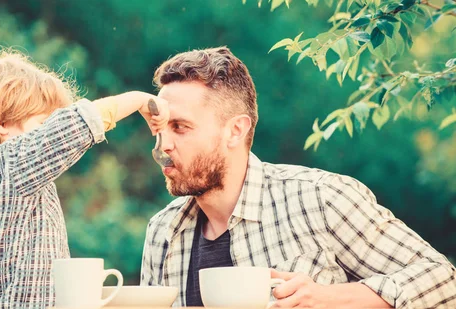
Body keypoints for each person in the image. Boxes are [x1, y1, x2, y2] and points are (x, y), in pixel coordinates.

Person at [140, 46, 456, 308]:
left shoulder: (320, 198)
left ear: (235, 130)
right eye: (159, 129)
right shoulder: (162, 231)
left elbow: (444, 280)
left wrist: (328, 298)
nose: (164, 145)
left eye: (180, 127)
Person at [0, 48, 169, 308]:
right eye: (42, 125)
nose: (46, 135)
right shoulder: (11, 162)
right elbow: (74, 127)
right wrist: (137, 99)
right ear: (1, 123)